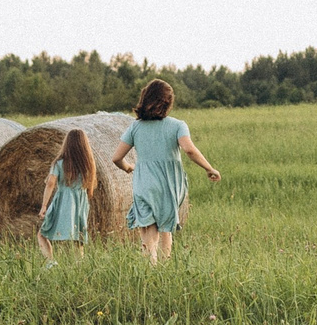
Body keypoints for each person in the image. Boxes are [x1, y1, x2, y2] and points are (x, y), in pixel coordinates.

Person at [112, 80, 221, 263]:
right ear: (168, 102)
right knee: (165, 228)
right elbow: (189, 150)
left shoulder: (136, 127)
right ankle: (164, 268)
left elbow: (116, 158)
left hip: (144, 184)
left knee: (147, 228)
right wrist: (209, 168)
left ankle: (149, 267)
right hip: (168, 185)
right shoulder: (178, 125)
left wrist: (128, 167)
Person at [35, 127, 95, 264]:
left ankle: (50, 263)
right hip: (81, 201)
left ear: (66, 144)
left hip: (63, 201)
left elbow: (50, 183)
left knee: (42, 233)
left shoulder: (59, 162)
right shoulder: (88, 164)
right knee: (78, 239)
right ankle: (79, 267)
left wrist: (44, 206)